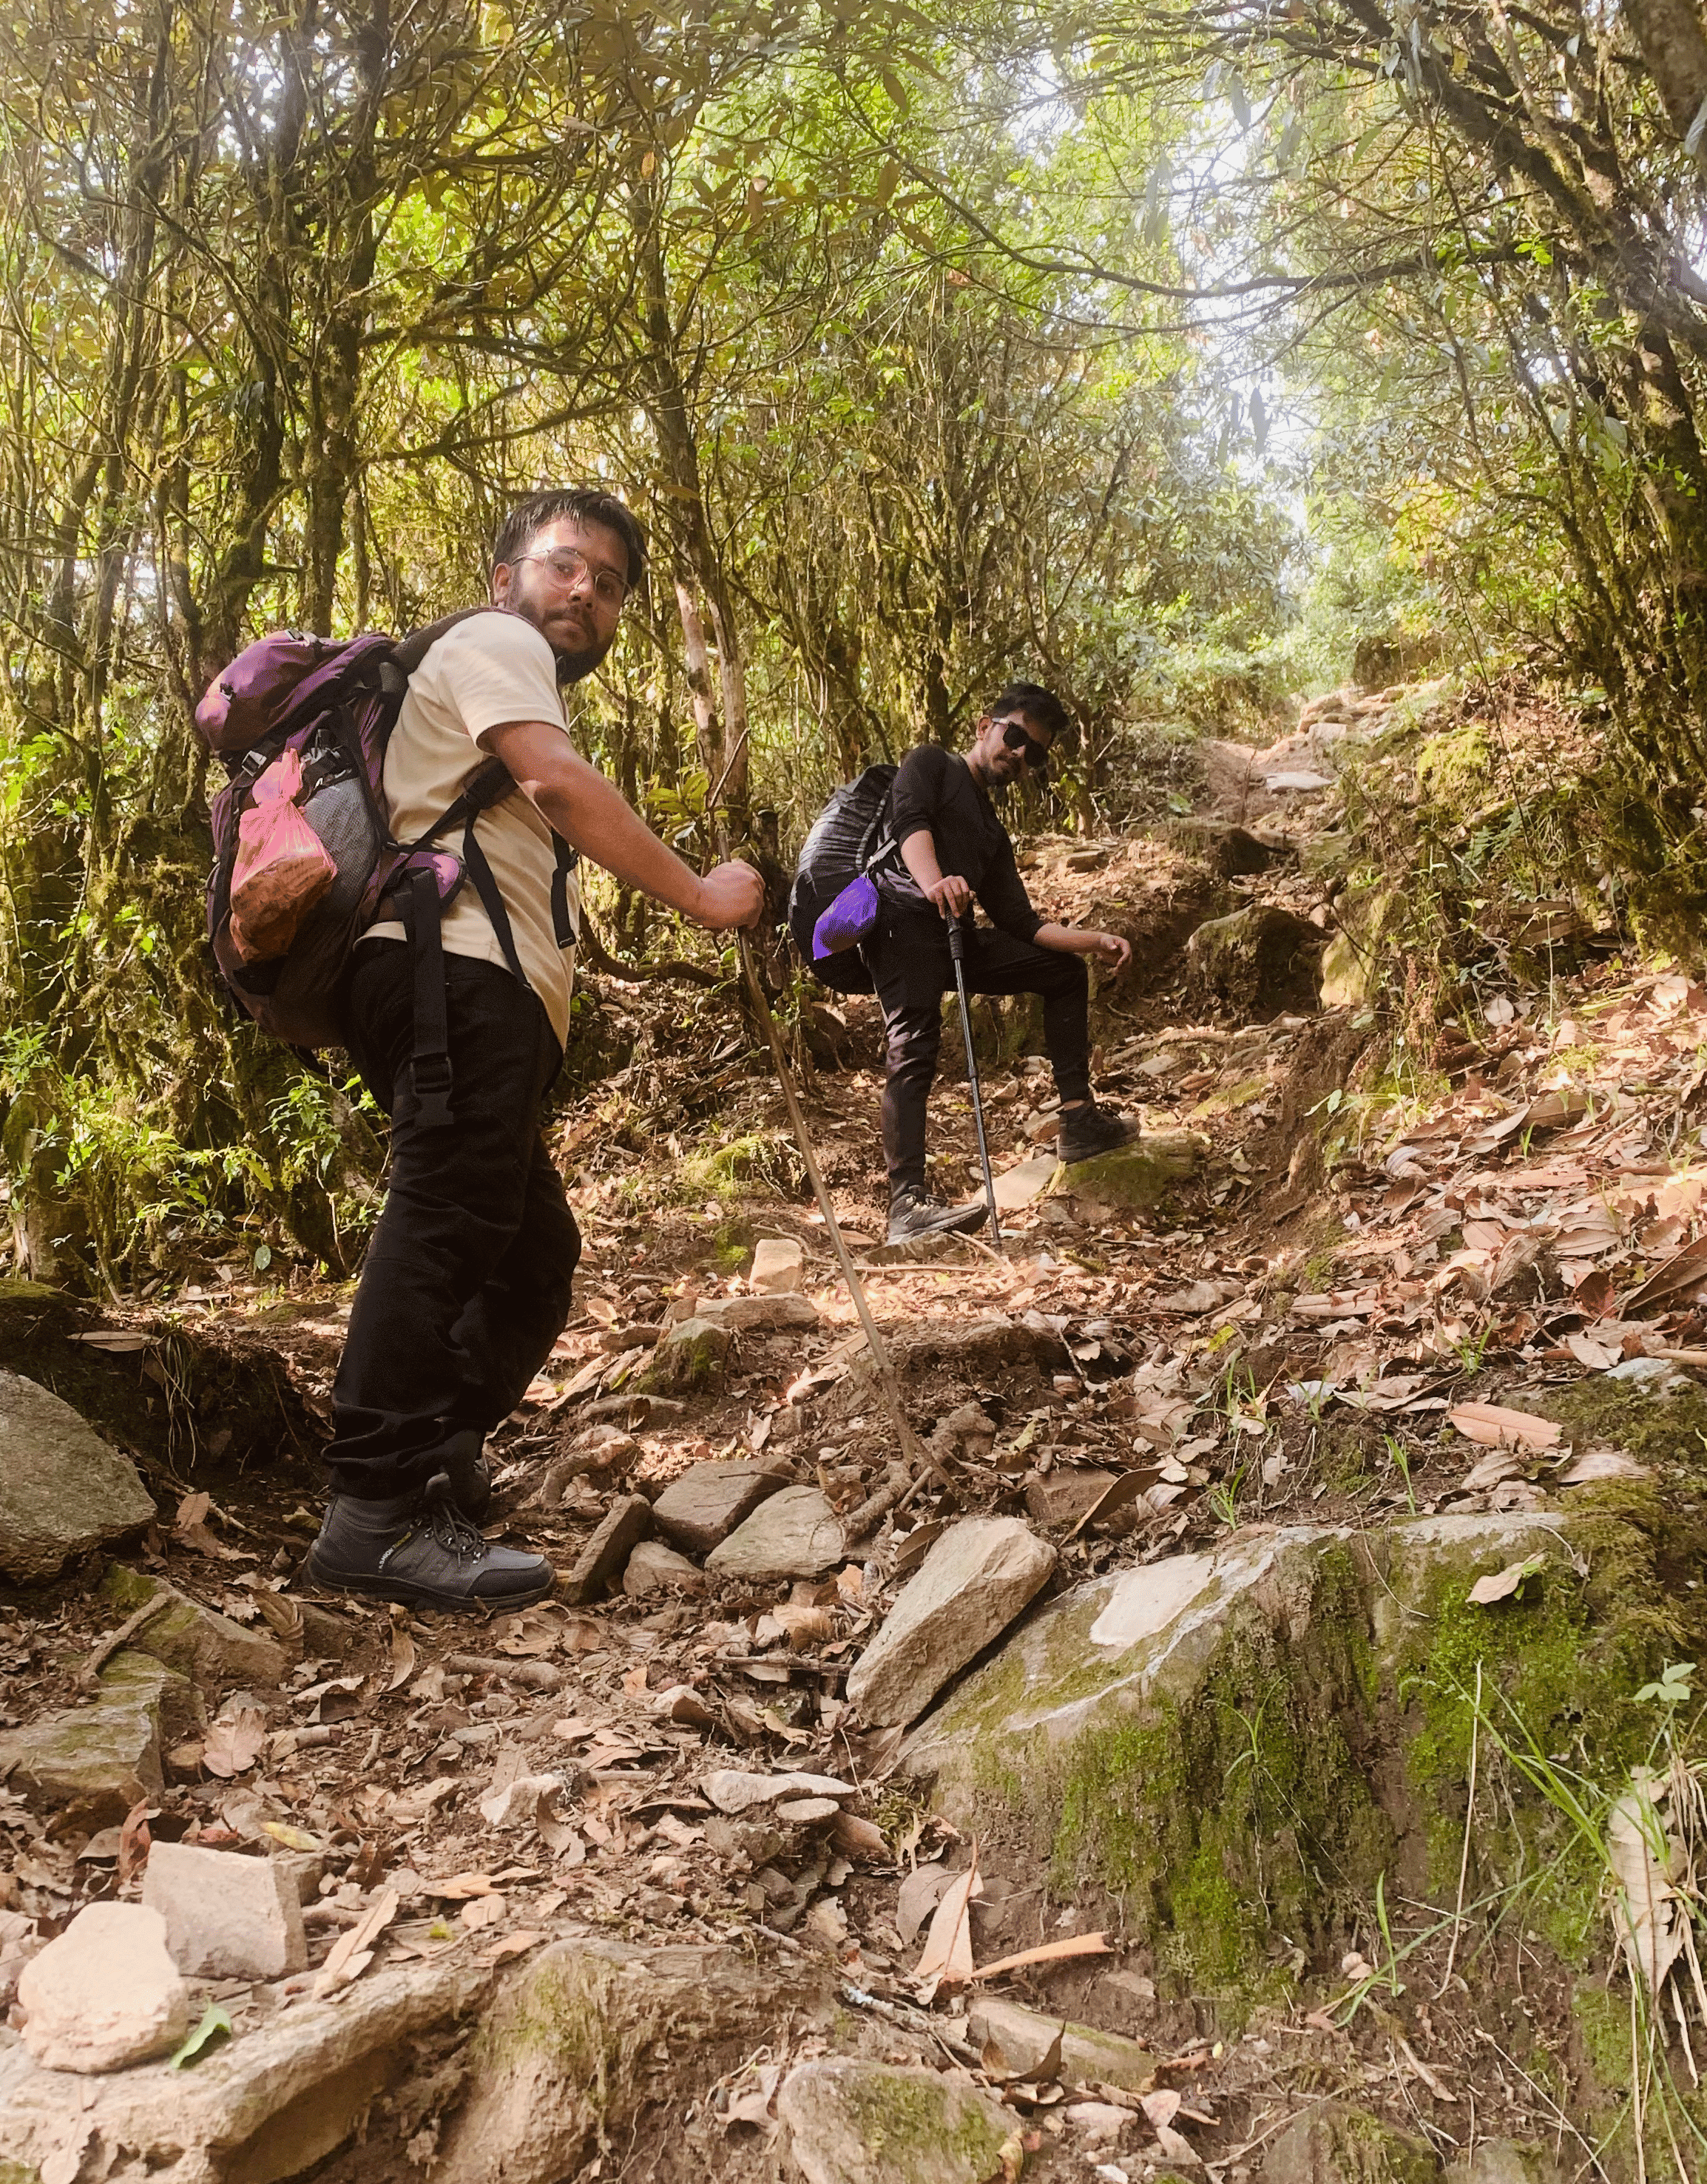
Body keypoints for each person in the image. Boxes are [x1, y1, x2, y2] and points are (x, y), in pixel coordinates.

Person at [300, 489, 764, 1611]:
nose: (587, 592)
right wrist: (705, 895)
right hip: (451, 965)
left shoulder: (492, 668)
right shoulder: (493, 639)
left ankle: (431, 1464)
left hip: (465, 982)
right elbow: (557, 784)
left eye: (609, 585)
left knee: (528, 1252)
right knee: (451, 1212)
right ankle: (372, 1517)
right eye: (566, 566)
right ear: (506, 575)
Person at [865, 683, 1136, 1245]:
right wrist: (935, 882)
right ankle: (906, 1204)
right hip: (902, 923)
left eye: (1033, 752)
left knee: (1060, 972)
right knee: (913, 1041)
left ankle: (1079, 1119)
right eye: (1015, 736)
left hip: (956, 940)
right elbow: (909, 824)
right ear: (986, 725)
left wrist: (1093, 939)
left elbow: (1022, 922)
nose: (1019, 754)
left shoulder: (992, 832)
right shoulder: (930, 763)